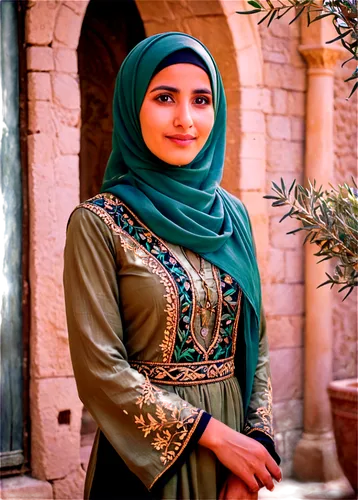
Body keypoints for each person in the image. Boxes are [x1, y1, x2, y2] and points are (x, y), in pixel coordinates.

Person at [63, 32, 282, 500]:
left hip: (236, 469)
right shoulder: (97, 223)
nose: (185, 119)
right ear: (131, 107)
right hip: (145, 468)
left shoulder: (232, 216)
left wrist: (254, 455)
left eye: (201, 100)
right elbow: (101, 371)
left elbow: (256, 343)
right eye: (164, 97)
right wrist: (219, 439)